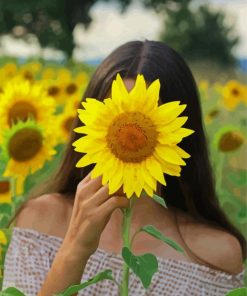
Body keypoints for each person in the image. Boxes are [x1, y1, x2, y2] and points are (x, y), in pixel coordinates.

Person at [2, 40, 246, 296]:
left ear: (178, 136)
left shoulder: (215, 255)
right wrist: (75, 249)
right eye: (117, 119)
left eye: (145, 118)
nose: (129, 135)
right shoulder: (40, 220)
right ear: (93, 125)